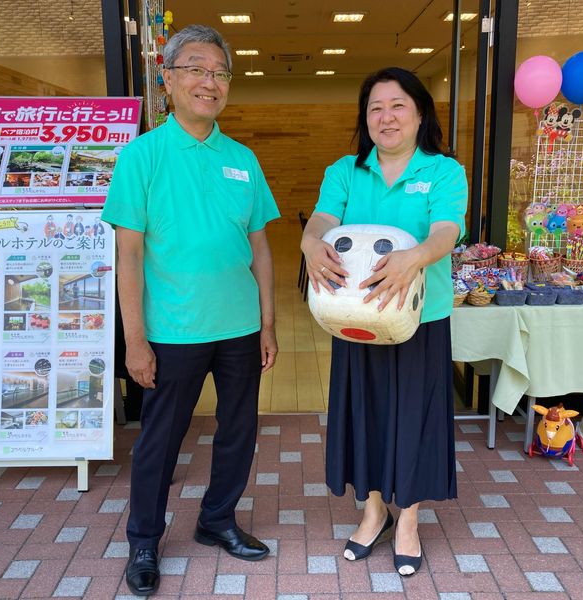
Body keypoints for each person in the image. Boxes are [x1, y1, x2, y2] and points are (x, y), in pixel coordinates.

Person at [101, 24, 280, 597]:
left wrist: (269, 322)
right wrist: (134, 339)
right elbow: (127, 255)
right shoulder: (142, 156)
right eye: (197, 69)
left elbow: (259, 246)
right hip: (172, 330)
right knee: (161, 439)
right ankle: (145, 540)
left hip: (239, 328)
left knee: (238, 433)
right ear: (168, 78)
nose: (210, 81)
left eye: (220, 72)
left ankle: (217, 520)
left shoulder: (242, 159)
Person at [301, 67, 468, 577]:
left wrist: (415, 256)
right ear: (365, 119)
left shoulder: (443, 171)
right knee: (366, 414)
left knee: (414, 418)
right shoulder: (346, 172)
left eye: (398, 106)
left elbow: (447, 232)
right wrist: (310, 242)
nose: (386, 117)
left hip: (420, 320)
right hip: (356, 319)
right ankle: (373, 511)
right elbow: (324, 221)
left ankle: (410, 517)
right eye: (376, 108)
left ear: (420, 114)